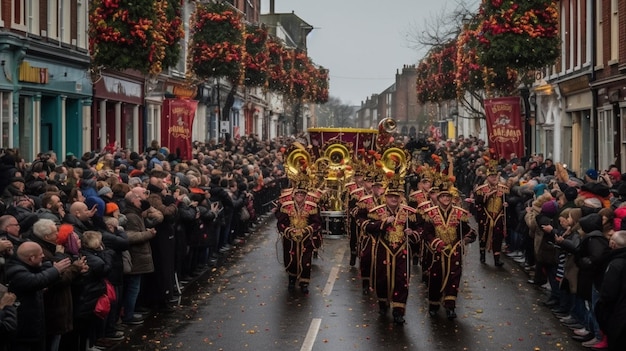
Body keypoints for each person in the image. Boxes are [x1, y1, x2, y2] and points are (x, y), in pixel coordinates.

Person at [364, 172, 426, 325]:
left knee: (401, 280)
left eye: (397, 196)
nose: (394, 199)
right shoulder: (377, 212)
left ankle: (399, 311)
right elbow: (368, 227)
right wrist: (383, 223)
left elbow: (421, 228)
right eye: (391, 196)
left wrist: (412, 234)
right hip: (383, 249)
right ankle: (383, 303)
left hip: (401, 251)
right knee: (382, 278)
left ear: (401, 198)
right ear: (385, 197)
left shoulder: (409, 213)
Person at [421, 182, 475, 320]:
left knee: (454, 278)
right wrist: (436, 243)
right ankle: (434, 305)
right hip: (438, 252)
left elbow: (467, 231)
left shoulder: (459, 213)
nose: (446, 199)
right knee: (436, 277)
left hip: (454, 252)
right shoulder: (430, 214)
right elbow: (426, 234)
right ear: (438, 198)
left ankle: (450, 306)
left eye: (448, 196)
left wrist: (467, 239)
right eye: (443, 196)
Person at [5, 241, 71, 351]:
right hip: (23, 332)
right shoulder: (15, 271)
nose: (43, 256)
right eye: (40, 255)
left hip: (33, 329)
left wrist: (51, 267)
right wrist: (55, 270)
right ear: (31, 258)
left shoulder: (28, 267)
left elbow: (41, 276)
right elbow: (36, 280)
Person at [275, 173, 322, 294]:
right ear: (294, 195)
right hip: (290, 239)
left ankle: (304, 282)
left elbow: (316, 222)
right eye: (298, 194)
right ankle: (292, 279)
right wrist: (289, 231)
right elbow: (280, 223)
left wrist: (306, 230)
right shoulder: (287, 206)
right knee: (291, 259)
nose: (300, 196)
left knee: (305, 260)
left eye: (302, 194)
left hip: (306, 238)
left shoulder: (312, 206)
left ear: (306, 196)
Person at [473, 162, 510, 266]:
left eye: (495, 176)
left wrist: (506, 204)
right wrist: (489, 194)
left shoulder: (503, 188)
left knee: (498, 236)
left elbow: (507, 200)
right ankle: (482, 254)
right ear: (488, 177)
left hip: (498, 215)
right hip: (486, 216)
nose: (494, 178)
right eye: (491, 176)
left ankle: (497, 259)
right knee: (483, 235)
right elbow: (478, 202)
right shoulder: (481, 189)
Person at [596, 230, 626, 350]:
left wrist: (602, 307)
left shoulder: (615, 264)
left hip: (617, 311)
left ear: (613, 244)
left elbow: (609, 292)